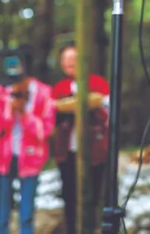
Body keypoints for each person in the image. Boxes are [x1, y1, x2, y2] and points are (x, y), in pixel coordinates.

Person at [0, 47, 55, 234]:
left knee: (27, 213)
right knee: (1, 213)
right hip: (0, 159)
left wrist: (24, 113)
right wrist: (9, 110)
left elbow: (46, 130)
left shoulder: (43, 93)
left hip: (30, 158)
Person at [51, 43, 110, 234]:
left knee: (94, 193)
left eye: (73, 59)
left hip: (94, 150)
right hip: (67, 151)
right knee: (69, 194)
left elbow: (107, 111)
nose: (69, 63)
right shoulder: (60, 88)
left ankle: (93, 228)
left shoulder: (98, 83)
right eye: (65, 60)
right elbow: (52, 115)